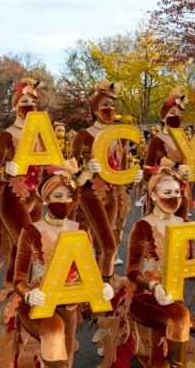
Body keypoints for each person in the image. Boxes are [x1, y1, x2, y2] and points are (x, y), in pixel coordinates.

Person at [13, 167, 114, 368]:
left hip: (69, 306)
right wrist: (28, 294)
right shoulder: (31, 231)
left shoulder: (81, 230)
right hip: (39, 303)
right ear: (45, 199)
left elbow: (89, 271)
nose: (64, 201)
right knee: (53, 333)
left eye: (69, 196)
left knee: (65, 362)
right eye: (58, 196)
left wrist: (102, 286)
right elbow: (19, 278)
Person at [126, 163, 195, 368]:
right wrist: (153, 286)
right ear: (153, 196)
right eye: (167, 192)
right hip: (145, 296)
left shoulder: (184, 224)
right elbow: (132, 270)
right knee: (179, 316)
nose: (174, 196)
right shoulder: (142, 226)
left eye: (177, 192)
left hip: (174, 296)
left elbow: (193, 265)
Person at [70, 79, 140, 283]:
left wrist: (133, 178)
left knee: (104, 248)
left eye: (112, 106)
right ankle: (101, 291)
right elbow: (69, 168)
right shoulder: (82, 135)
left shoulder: (120, 137)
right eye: (104, 106)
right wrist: (84, 171)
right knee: (108, 246)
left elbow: (124, 170)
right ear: (94, 109)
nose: (109, 109)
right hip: (90, 194)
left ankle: (99, 290)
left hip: (113, 195)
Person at [0, 78, 48, 284]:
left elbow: (50, 163)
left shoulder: (43, 135)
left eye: (32, 101)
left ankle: (12, 297)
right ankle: (28, 297)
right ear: (15, 105)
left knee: (20, 252)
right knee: (33, 250)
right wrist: (5, 172)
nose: (29, 105)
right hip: (14, 197)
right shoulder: (6, 136)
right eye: (24, 101)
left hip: (37, 197)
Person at [143, 89, 195, 222]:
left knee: (181, 230)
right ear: (163, 118)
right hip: (163, 195)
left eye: (180, 113)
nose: (177, 116)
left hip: (183, 192)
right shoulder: (156, 140)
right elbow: (146, 172)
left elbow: (193, 164)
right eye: (173, 112)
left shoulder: (186, 139)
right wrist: (168, 170)